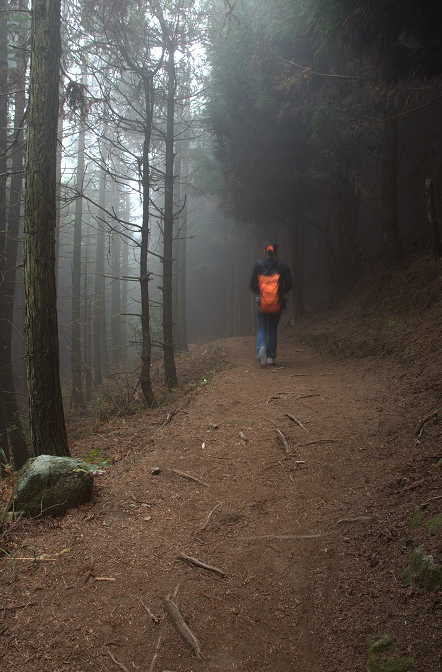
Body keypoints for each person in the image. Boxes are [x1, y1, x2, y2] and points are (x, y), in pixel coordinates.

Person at [249, 243, 293, 366]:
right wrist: (280, 292)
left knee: (262, 328)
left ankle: (261, 347)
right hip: (277, 302)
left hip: (261, 302)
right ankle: (270, 357)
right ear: (277, 251)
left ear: (265, 251)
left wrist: (260, 292)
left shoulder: (259, 265)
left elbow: (252, 284)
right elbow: (289, 284)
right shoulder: (283, 266)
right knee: (272, 329)